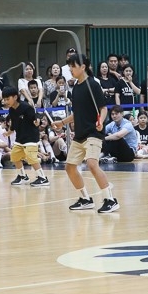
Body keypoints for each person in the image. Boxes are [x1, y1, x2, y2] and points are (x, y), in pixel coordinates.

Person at [51, 53, 118, 214]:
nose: (71, 70)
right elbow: (77, 112)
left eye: (73, 66)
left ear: (83, 67)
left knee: (92, 164)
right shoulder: (76, 88)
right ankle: (85, 199)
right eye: (70, 67)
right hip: (80, 134)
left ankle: (110, 199)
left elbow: (103, 108)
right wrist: (62, 122)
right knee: (69, 167)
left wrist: (101, 121)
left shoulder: (93, 85)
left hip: (93, 133)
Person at [3, 86, 49, 187]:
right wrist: (8, 133)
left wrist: (38, 122)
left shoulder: (26, 107)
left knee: (31, 158)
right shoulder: (11, 110)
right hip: (20, 137)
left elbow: (35, 118)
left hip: (31, 137)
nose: (5, 101)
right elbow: (14, 124)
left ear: (15, 97)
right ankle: (22, 176)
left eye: (7, 99)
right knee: (14, 156)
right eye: (4, 99)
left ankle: (43, 178)